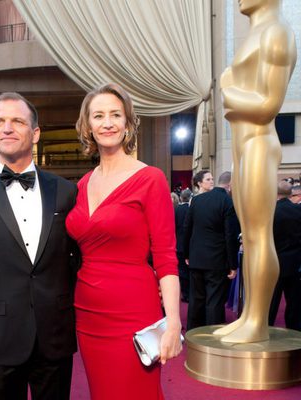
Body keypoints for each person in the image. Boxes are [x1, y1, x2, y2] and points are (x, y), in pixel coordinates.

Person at [0, 92, 78, 400]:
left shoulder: (66, 192)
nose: (6, 128)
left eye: (17, 121)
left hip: (55, 338)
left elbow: (78, 261)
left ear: (35, 134)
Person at [65, 83, 182, 400]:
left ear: (128, 123)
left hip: (133, 312)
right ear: (88, 125)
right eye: (98, 115)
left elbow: (166, 258)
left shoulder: (151, 179)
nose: (107, 122)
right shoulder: (83, 184)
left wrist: (173, 323)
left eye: (116, 115)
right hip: (87, 313)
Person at [214, 0, 297, 343]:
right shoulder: (259, 33)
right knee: (250, 238)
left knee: (260, 236)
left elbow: (267, 104)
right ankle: (250, 315)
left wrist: (228, 87)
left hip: (259, 143)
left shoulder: (277, 33)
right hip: (243, 144)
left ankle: (258, 321)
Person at [183, 171, 239, 331]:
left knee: (196, 298)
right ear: (229, 185)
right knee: (214, 300)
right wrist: (232, 264)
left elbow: (187, 228)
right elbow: (230, 234)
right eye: (209, 179)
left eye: (212, 178)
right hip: (216, 259)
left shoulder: (196, 201)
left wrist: (187, 253)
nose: (211, 181)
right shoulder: (226, 201)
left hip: (197, 257)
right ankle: (211, 336)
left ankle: (193, 332)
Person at [268, 181, 301, 331]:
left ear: (276, 193)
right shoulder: (298, 210)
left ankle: (267, 327)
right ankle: (294, 331)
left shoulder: (270, 212)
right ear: (290, 194)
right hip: (295, 262)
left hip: (274, 261)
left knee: (271, 300)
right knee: (294, 300)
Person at [175, 188, 192, 302]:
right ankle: (191, 293)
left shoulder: (176, 210)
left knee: (181, 270)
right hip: (190, 243)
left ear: (181, 198)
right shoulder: (192, 209)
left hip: (178, 243)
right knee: (190, 270)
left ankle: (185, 293)